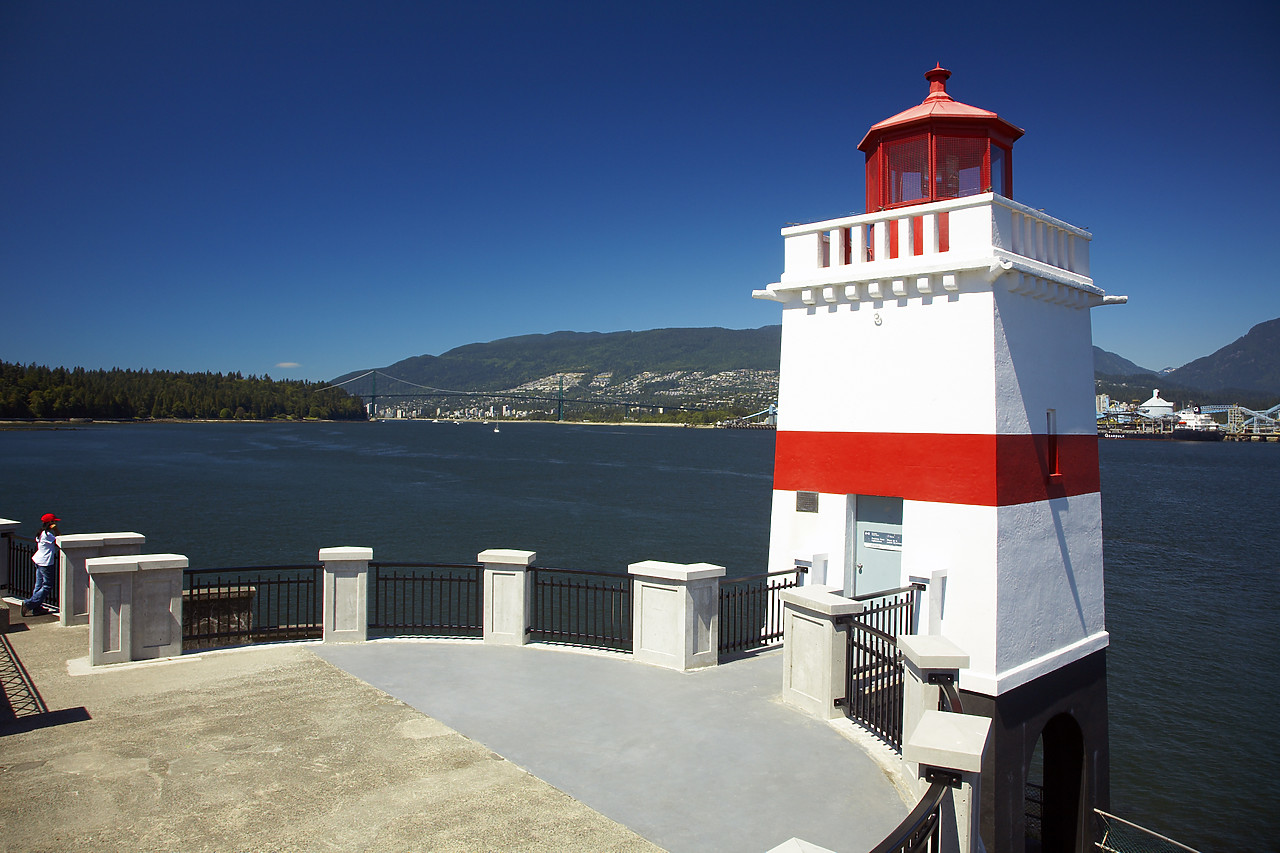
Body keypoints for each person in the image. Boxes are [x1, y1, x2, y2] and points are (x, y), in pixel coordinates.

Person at [21, 513, 59, 617]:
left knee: (39, 585)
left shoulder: (40, 533)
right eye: (54, 521)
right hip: (46, 563)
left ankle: (36, 608)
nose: (55, 523)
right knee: (47, 585)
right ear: (50, 523)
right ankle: (29, 604)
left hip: (39, 561)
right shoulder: (48, 535)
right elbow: (60, 539)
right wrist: (55, 529)